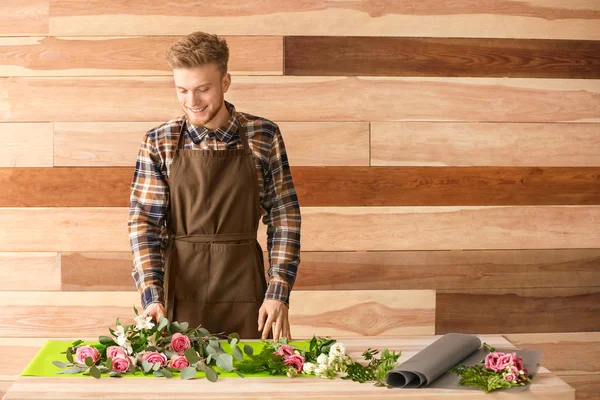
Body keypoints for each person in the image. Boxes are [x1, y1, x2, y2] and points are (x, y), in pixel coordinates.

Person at [127, 31, 301, 341]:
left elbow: (284, 215)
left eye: (202, 89)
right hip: (179, 291)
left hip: (246, 289)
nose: (191, 102)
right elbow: (145, 224)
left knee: (252, 384)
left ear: (225, 82)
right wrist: (152, 297)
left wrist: (278, 291)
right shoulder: (159, 141)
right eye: (182, 90)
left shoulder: (264, 135)